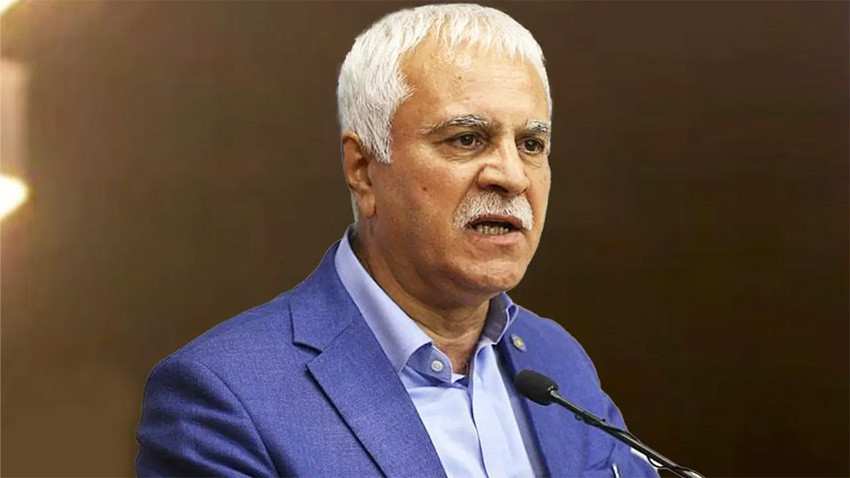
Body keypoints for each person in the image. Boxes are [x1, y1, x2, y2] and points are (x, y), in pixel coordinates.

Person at [135, 4, 658, 477]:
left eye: (531, 144)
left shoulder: (555, 358)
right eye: (467, 139)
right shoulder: (223, 397)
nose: (512, 176)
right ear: (363, 169)